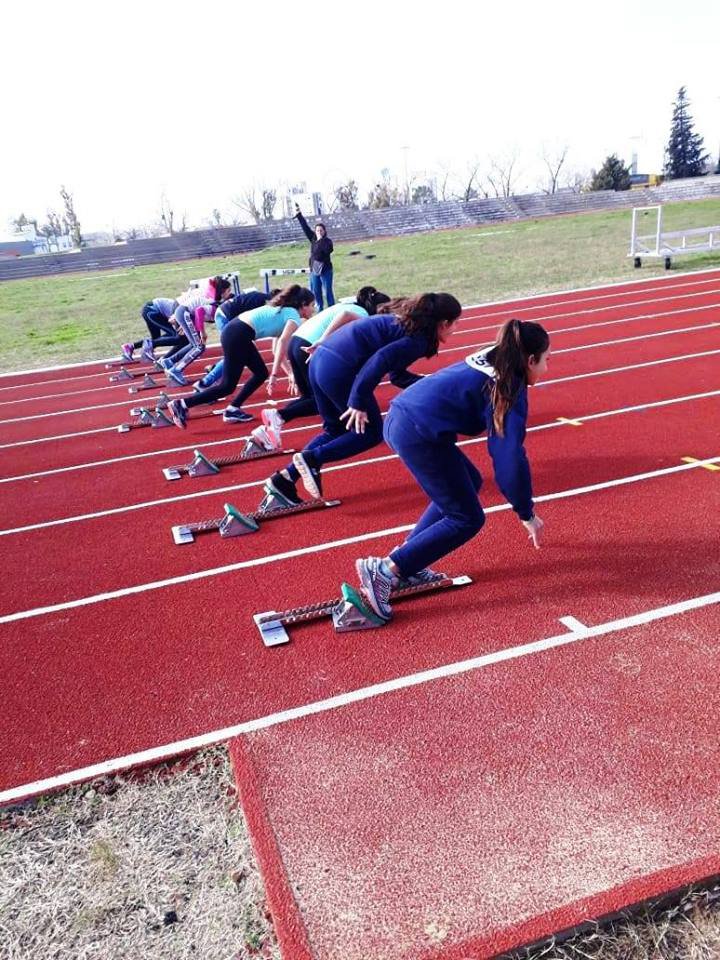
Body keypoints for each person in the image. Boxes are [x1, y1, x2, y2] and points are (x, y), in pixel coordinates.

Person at [354, 318, 550, 623]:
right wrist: (525, 512)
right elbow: (509, 457)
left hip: (406, 416)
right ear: (530, 360)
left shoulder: (498, 355)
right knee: (467, 518)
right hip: (415, 431)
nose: (546, 369)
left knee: (467, 482)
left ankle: (409, 563)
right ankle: (385, 570)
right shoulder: (510, 387)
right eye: (546, 360)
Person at [264, 293, 462, 505]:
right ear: (443, 323)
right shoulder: (418, 340)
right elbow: (380, 359)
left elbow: (397, 375)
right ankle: (312, 459)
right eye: (455, 323)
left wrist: (434, 385)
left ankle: (284, 480)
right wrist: (357, 400)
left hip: (319, 360)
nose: (456, 328)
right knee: (371, 433)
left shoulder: (405, 327)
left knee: (335, 430)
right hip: (336, 368)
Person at [256, 286, 391, 450]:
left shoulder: (347, 304)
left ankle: (267, 428)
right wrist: (322, 340)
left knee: (309, 399)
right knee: (319, 401)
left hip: (297, 342)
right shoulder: (361, 314)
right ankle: (279, 416)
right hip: (310, 346)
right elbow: (345, 316)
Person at [167, 285, 315, 428]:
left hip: (237, 331)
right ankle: (182, 404)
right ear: (303, 305)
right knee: (227, 386)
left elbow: (276, 350)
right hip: (238, 334)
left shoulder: (285, 312)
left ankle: (232, 409)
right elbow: (283, 342)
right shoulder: (293, 316)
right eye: (312, 305)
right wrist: (275, 374)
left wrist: (289, 373)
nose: (313, 309)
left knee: (260, 373)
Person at [194, 288, 278, 391]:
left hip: (224, 314)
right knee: (235, 353)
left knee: (236, 352)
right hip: (226, 317)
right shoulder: (263, 303)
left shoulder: (259, 296)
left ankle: (214, 368)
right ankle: (204, 383)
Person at [161, 277, 233, 386]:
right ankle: (175, 370)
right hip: (184, 312)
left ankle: (169, 361)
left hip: (184, 313)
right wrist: (201, 332)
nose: (229, 293)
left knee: (194, 344)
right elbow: (199, 312)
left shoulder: (213, 299)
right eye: (228, 291)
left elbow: (195, 311)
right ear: (222, 292)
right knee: (199, 346)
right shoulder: (213, 302)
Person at [121, 295, 185, 363]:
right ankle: (156, 353)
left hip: (151, 310)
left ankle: (130, 346)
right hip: (152, 310)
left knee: (157, 338)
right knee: (176, 336)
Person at [295, 204, 334, 310]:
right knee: (316, 292)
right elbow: (305, 227)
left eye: (321, 230)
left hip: (326, 270)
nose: (319, 232)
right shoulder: (312, 238)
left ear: (324, 231)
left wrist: (321, 239)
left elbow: (328, 250)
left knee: (328, 291)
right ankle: (319, 309)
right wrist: (299, 215)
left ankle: (332, 309)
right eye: (317, 230)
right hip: (314, 270)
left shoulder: (327, 241)